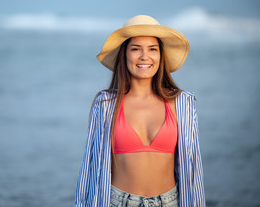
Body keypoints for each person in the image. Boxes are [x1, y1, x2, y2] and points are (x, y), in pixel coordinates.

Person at [74, 15, 205, 207]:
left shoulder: (182, 103)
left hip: (170, 202)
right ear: (124, 54)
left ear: (161, 56)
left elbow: (193, 170)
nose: (145, 56)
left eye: (153, 49)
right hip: (117, 202)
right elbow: (90, 167)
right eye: (136, 49)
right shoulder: (105, 104)